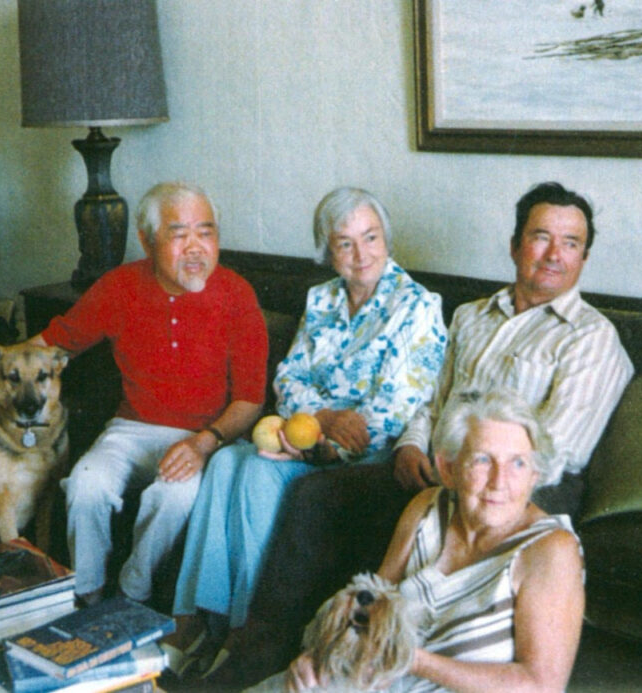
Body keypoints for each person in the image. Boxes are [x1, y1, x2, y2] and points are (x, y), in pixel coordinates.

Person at [165, 187, 448, 680]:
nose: (360, 254)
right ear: (327, 251)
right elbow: (288, 379)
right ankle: (194, 618)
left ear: (386, 239)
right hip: (309, 438)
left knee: (251, 470)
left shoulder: (417, 306)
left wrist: (317, 435)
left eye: (370, 237)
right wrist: (323, 419)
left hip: (366, 455)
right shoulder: (321, 300)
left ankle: (243, 633)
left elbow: (392, 409)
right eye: (344, 243)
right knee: (227, 460)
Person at [0, 181, 269, 604]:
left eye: (207, 232)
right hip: (130, 428)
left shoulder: (238, 295)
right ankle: (87, 594)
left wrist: (205, 443)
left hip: (202, 436)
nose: (196, 247)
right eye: (179, 234)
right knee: (85, 485)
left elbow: (250, 400)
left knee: (172, 498)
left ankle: (130, 594)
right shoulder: (120, 287)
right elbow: (51, 344)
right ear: (146, 240)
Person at [266, 388, 585, 692]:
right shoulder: (428, 507)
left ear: (535, 475)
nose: (500, 482)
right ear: (448, 469)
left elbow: (541, 685)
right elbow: (373, 597)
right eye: (482, 460)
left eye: (518, 463)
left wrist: (411, 660)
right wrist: (320, 654)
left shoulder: (551, 550)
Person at [394, 181, 633, 516]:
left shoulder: (591, 337)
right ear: (515, 246)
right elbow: (433, 398)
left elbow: (558, 450)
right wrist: (411, 445)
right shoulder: (469, 316)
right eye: (541, 237)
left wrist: (467, 477)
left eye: (570, 243)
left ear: (584, 257)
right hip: (436, 471)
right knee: (319, 496)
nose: (554, 255)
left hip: (523, 488)